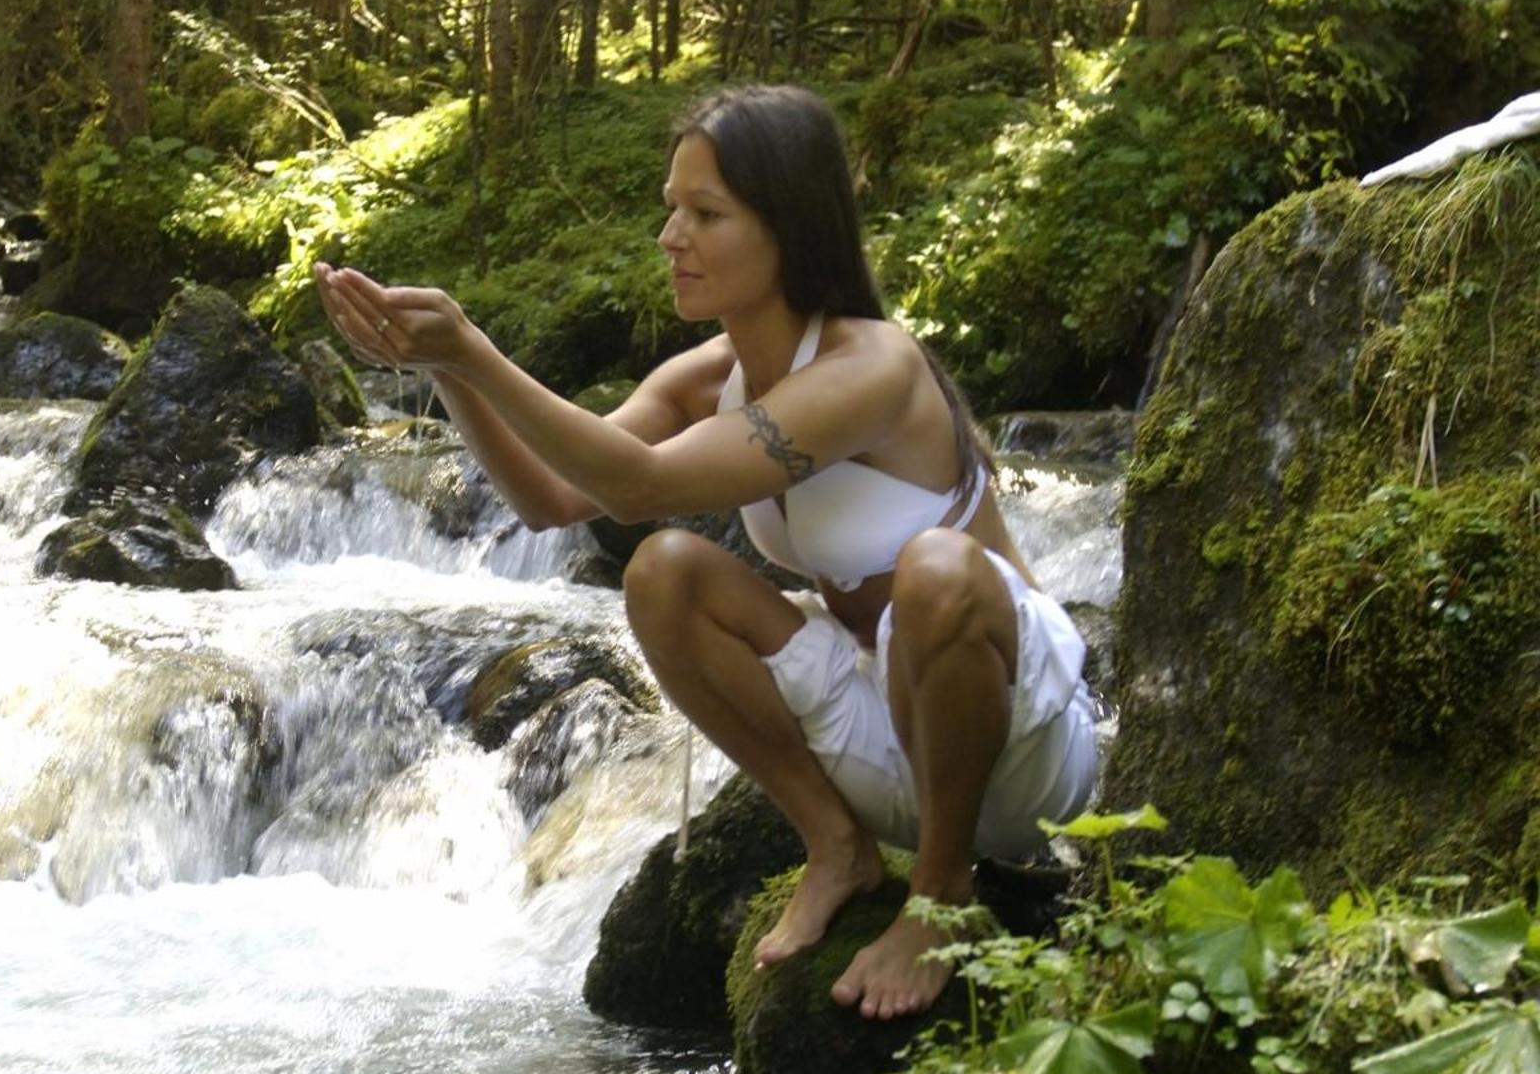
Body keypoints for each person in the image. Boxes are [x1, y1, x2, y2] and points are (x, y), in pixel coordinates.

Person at [313, 84, 1098, 1019]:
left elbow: (639, 483)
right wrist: (445, 369)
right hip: (892, 738)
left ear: (789, 229)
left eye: (705, 213)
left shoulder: (875, 366)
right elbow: (554, 498)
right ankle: (836, 846)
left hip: (1024, 750)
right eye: (671, 209)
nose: (670, 237)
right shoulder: (704, 380)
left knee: (934, 569)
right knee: (664, 573)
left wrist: (477, 349)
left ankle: (940, 897)